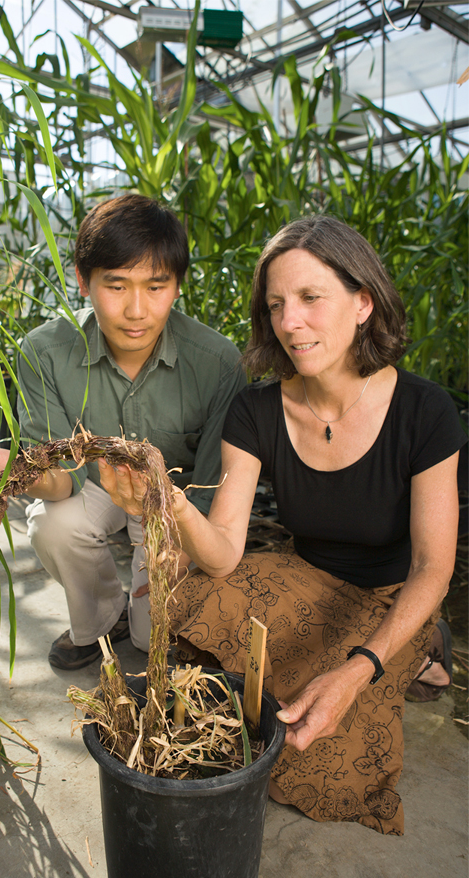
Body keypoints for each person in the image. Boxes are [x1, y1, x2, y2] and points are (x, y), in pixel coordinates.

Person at [100, 215, 466, 835]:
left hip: (389, 598)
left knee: (326, 770)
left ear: (362, 303)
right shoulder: (258, 409)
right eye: (276, 305)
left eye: (310, 298)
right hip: (302, 579)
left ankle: (420, 647)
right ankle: (379, 666)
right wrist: (166, 498)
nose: (290, 321)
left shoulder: (423, 410)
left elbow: (435, 566)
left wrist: (358, 670)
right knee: (195, 598)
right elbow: (221, 554)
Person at [0, 193, 246, 670]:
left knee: (148, 642)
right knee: (54, 524)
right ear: (84, 281)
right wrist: (19, 474)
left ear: (177, 286)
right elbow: (60, 480)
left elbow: (211, 494)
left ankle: (137, 620)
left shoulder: (217, 362)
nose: (137, 310)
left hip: (173, 499)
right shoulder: (45, 352)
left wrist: (176, 559)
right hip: (94, 486)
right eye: (116, 286)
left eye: (156, 286)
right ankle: (102, 618)